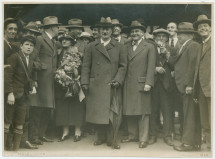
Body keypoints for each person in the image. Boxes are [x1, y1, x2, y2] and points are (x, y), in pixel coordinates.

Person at [81, 17, 127, 149]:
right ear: (99, 31)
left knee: (112, 113)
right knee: (98, 113)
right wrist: (84, 82)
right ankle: (100, 137)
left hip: (112, 84)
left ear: (112, 31)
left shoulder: (120, 46)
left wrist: (118, 80)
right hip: (96, 85)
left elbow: (123, 66)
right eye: (102, 29)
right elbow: (86, 66)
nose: (105, 31)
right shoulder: (91, 46)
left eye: (107, 29)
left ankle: (112, 139)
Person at [122, 20, 156, 148]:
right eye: (132, 31)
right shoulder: (125, 46)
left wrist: (149, 83)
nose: (134, 33)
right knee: (129, 110)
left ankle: (143, 138)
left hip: (142, 84)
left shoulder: (149, 46)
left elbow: (151, 66)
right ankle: (132, 135)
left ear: (143, 33)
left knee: (143, 112)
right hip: (128, 84)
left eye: (137, 31)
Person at [169, 22, 201, 151]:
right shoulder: (184, 46)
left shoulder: (192, 45)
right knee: (188, 114)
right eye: (179, 34)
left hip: (187, 87)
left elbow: (192, 66)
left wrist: (189, 84)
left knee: (189, 115)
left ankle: (188, 144)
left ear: (190, 35)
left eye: (181, 34)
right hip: (182, 86)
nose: (179, 36)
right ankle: (194, 143)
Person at [29, 16, 61, 145]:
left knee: (47, 108)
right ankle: (33, 136)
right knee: (38, 109)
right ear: (52, 27)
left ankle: (41, 134)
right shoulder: (39, 39)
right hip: (41, 80)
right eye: (57, 26)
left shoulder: (53, 41)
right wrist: (35, 77)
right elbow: (33, 59)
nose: (58, 29)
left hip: (50, 80)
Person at [4, 35, 37, 151]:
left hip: (24, 96)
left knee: (20, 122)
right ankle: (4, 149)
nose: (29, 47)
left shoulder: (30, 59)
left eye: (31, 45)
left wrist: (32, 85)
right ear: (21, 46)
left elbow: (30, 76)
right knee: (7, 122)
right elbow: (8, 76)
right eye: (27, 44)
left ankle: (15, 150)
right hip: (13, 95)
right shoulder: (14, 57)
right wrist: (10, 93)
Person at [55, 32, 85, 142]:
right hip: (61, 83)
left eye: (67, 39)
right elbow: (56, 67)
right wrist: (61, 75)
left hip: (75, 82)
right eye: (62, 39)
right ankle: (65, 131)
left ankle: (78, 131)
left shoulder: (78, 54)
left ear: (72, 42)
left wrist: (75, 73)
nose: (64, 41)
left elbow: (82, 67)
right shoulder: (58, 53)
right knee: (63, 107)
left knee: (76, 106)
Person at [149, 28, 173, 146]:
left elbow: (174, 65)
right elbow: (146, 64)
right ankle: (153, 135)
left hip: (166, 84)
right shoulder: (150, 48)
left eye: (164, 36)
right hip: (154, 83)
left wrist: (167, 54)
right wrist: (155, 69)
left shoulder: (171, 49)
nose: (161, 38)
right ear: (155, 38)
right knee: (153, 110)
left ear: (167, 38)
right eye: (159, 36)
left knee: (167, 111)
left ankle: (167, 136)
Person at [193, 15, 211, 150]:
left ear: (210, 28)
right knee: (205, 120)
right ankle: (210, 144)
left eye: (205, 26)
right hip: (201, 89)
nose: (203, 28)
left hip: (212, 88)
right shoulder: (200, 46)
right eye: (200, 27)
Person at [167, 22, 183, 138]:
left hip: (180, 79)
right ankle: (170, 131)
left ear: (176, 29)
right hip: (168, 80)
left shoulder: (182, 43)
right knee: (169, 106)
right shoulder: (164, 43)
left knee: (181, 106)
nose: (170, 29)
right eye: (168, 28)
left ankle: (182, 130)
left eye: (172, 27)